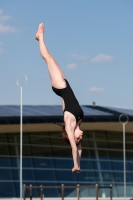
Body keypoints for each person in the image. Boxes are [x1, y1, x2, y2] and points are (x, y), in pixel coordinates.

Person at [35, 23, 84, 173]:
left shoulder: (70, 124)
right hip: (65, 86)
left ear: (73, 138)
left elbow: (75, 149)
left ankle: (40, 37)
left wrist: (75, 165)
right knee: (52, 59)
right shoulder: (78, 121)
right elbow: (80, 149)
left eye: (78, 138)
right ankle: (40, 39)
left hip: (60, 87)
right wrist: (80, 165)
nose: (81, 136)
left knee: (48, 59)